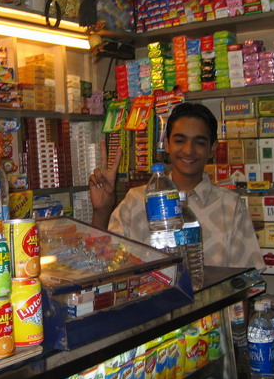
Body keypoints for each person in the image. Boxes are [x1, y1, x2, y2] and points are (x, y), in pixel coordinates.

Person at [89, 102, 264, 269]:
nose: (188, 150)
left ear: (212, 149)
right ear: (166, 144)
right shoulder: (136, 200)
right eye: (180, 141)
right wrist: (101, 211)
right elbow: (103, 262)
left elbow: (244, 281)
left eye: (200, 143)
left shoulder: (231, 206)